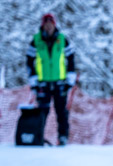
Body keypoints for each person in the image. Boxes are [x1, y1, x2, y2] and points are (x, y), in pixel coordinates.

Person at [26, 13, 76, 146]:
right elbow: (30, 61)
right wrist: (33, 81)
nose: (48, 27)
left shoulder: (62, 39)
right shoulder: (36, 40)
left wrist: (70, 79)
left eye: (51, 25)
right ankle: (38, 136)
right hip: (43, 83)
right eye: (46, 25)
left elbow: (71, 59)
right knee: (42, 111)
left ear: (54, 25)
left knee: (61, 111)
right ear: (43, 26)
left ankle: (63, 137)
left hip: (60, 82)